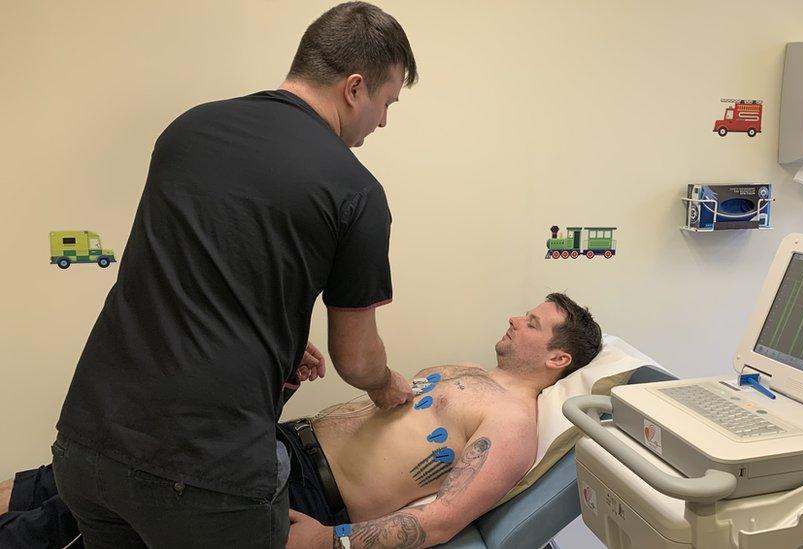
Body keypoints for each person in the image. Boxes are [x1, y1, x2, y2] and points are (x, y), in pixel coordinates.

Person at [51, 3, 418, 547]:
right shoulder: (356, 192)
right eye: (387, 102)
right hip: (205, 477)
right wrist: (388, 388)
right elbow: (357, 360)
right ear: (354, 87)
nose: (383, 121)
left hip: (87, 443)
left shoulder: (189, 128)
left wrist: (276, 340)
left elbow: (192, 266)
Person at [3, 294, 602, 549]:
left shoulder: (512, 424)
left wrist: (335, 543)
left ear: (557, 358)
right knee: (82, 475)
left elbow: (442, 519)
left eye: (531, 321)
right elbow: (373, 418)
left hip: (304, 492)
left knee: (91, 512)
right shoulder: (461, 369)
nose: (514, 319)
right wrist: (284, 387)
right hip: (278, 444)